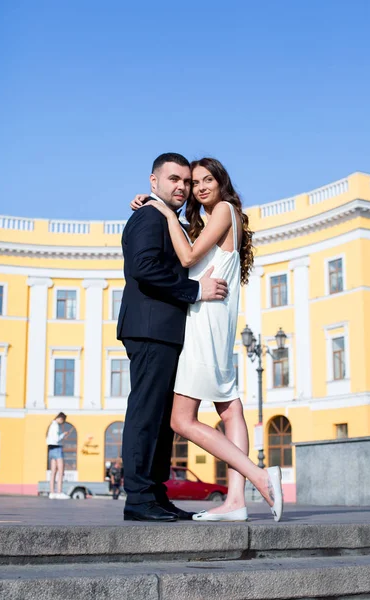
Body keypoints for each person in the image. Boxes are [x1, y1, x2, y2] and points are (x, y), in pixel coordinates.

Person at [131, 157, 283, 522]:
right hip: (216, 320)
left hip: (206, 321)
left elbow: (186, 257)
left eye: (205, 180)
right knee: (230, 407)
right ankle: (235, 501)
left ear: (221, 182)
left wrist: (163, 210)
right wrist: (155, 204)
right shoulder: (216, 218)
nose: (198, 187)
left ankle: (259, 476)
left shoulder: (224, 210)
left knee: (181, 420)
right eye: (192, 182)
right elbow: (190, 247)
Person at [117, 153, 229, 522]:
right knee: (146, 413)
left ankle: (156, 493)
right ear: (154, 182)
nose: (181, 187)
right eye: (174, 180)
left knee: (163, 417)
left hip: (166, 332)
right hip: (150, 330)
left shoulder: (170, 220)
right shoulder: (148, 216)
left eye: (186, 181)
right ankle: (138, 498)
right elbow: (144, 269)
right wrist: (195, 290)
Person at [46, 412, 70, 500]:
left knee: (53, 472)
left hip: (51, 449)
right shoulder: (56, 426)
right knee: (60, 471)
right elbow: (56, 439)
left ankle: (52, 492)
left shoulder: (51, 425)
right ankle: (59, 492)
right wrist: (63, 434)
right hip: (57, 448)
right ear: (61, 418)